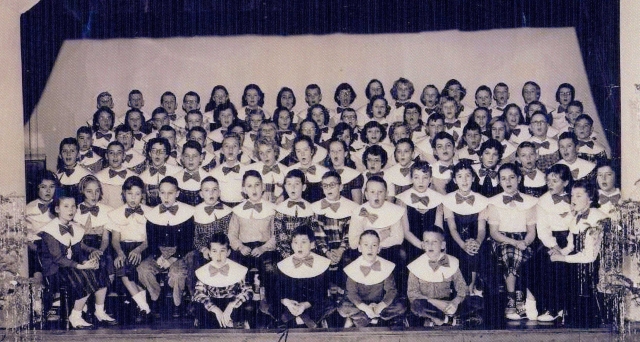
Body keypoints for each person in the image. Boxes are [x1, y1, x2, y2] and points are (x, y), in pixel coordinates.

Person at [38, 191, 117, 328]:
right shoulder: (49, 231)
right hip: (54, 271)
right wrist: (81, 266)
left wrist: (92, 252)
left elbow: (80, 246)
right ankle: (75, 316)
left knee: (100, 266)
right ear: (57, 209)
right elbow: (58, 259)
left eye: (73, 206)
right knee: (86, 274)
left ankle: (99, 311)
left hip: (69, 266)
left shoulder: (73, 226)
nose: (71, 210)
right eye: (66, 206)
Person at [550, 180, 610, 328]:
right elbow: (571, 246)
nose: (573, 199)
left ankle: (568, 311)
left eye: (578, 196)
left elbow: (589, 256)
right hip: (578, 262)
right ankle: (557, 308)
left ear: (590, 198)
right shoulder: (576, 217)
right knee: (545, 263)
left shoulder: (596, 217)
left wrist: (562, 258)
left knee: (561, 270)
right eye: (572, 195)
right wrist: (558, 252)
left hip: (590, 267)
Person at [137, 176, 195, 318]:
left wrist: (173, 258)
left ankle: (177, 304)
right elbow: (151, 240)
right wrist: (158, 256)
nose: (166, 197)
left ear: (177, 193)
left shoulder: (187, 213)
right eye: (162, 192)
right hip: (159, 252)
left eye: (170, 193)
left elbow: (188, 241)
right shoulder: (152, 214)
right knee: (143, 269)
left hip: (179, 252)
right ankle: (156, 298)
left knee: (177, 273)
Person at [487, 163, 537, 320]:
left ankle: (517, 298)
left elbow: (531, 232)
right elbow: (494, 233)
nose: (508, 182)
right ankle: (513, 298)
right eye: (503, 178)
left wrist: (524, 242)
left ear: (519, 179)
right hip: (502, 239)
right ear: (499, 182)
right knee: (511, 253)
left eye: (512, 177)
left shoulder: (530, 202)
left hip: (523, 239)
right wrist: (515, 243)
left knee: (517, 254)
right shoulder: (494, 202)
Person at [527, 164, 573, 322]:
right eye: (548, 181)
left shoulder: (575, 197)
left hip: (572, 241)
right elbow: (543, 230)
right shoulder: (543, 201)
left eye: (555, 180)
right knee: (536, 265)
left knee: (563, 264)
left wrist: (565, 250)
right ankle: (549, 307)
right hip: (551, 242)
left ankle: (562, 308)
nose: (550, 184)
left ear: (566, 182)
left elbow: (577, 225)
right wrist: (555, 247)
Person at [407, 226, 480, 327]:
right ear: (423, 245)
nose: (430, 245)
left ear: (443, 245)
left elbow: (462, 287)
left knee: (477, 301)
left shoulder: (452, 262)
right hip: (428, 304)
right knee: (416, 305)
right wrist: (436, 302)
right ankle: (448, 320)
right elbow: (412, 294)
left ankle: (438, 319)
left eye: (435, 241)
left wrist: (455, 302)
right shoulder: (415, 266)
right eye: (427, 241)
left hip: (448, 304)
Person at [265, 225, 333, 328]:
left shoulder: (322, 264)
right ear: (291, 245)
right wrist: (287, 303)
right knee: (270, 303)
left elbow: (321, 291)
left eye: (304, 242)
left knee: (327, 303)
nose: (299, 246)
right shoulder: (283, 265)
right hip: (290, 305)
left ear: (312, 244)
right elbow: (277, 290)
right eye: (295, 242)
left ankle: (294, 320)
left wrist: (304, 305)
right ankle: (298, 320)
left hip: (311, 305)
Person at [348, 176, 408, 290]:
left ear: (386, 194)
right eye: (372, 192)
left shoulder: (393, 210)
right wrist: (380, 235)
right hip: (364, 251)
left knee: (401, 252)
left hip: (386, 250)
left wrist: (374, 243)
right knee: (348, 256)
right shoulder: (359, 212)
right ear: (366, 194)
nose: (376, 196)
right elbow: (354, 242)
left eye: (380, 192)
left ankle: (398, 291)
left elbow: (398, 238)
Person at [338, 230, 407, 328]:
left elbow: (391, 291)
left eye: (374, 245)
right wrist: (365, 308)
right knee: (343, 308)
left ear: (378, 249)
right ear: (360, 248)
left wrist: (380, 306)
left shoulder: (386, 266)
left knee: (401, 306)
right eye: (366, 245)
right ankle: (372, 317)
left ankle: (363, 318)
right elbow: (352, 293)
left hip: (380, 302)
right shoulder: (353, 267)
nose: (370, 248)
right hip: (361, 304)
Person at [442, 161, 489, 297]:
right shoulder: (448, 200)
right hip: (456, 240)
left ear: (473, 178)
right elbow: (452, 228)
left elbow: (481, 230)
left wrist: (477, 242)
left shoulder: (482, 200)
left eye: (468, 176)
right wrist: (463, 245)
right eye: (460, 176)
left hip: (475, 239)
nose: (464, 180)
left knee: (476, 250)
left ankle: (472, 287)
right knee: (459, 253)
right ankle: (459, 288)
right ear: (455, 180)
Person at [108, 176, 152, 321]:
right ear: (123, 194)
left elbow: (149, 239)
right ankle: (145, 307)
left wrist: (139, 250)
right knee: (122, 266)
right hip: (123, 247)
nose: (133, 198)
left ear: (142, 195)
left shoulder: (149, 212)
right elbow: (115, 240)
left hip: (143, 247)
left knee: (135, 267)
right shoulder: (116, 213)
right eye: (130, 194)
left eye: (137, 194)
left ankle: (142, 307)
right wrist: (120, 253)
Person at [227, 171, 277, 293]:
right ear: (244, 189)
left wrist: (264, 248)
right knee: (236, 269)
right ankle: (242, 302)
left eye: (257, 185)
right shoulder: (238, 210)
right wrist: (240, 246)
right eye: (249, 186)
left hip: (265, 249)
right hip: (244, 249)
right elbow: (232, 234)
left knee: (270, 268)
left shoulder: (272, 209)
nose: (254, 189)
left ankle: (268, 301)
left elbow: (276, 234)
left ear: (263, 186)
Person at [311, 170, 360, 290]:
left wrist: (340, 250)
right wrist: (327, 252)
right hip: (324, 248)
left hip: (344, 249)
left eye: (332, 185)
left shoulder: (352, 207)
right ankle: (323, 297)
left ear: (341, 187)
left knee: (349, 260)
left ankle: (348, 293)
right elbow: (318, 235)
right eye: (325, 186)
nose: (329, 188)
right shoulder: (315, 208)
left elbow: (350, 233)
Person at [192, 233, 253, 329]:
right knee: (201, 309)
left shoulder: (237, 269)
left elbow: (248, 291)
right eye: (214, 251)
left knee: (242, 310)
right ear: (210, 253)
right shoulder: (204, 271)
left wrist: (231, 305)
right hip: (212, 307)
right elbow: (198, 294)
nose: (218, 256)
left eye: (222, 251)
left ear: (228, 252)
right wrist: (215, 309)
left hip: (232, 306)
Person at [394, 161, 444, 262]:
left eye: (425, 177)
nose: (421, 182)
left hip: (433, 243)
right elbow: (406, 231)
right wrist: (421, 245)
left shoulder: (437, 199)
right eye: (416, 177)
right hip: (411, 244)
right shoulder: (403, 199)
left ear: (430, 179)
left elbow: (439, 228)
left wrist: (432, 246)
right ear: (411, 179)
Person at [74, 175, 114, 296]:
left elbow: (106, 238)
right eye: (89, 191)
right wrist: (91, 250)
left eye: (97, 191)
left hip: (101, 245)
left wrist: (100, 251)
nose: (94, 195)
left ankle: (102, 304)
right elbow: (77, 241)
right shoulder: (75, 210)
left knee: (106, 260)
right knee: (86, 263)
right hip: (82, 246)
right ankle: (86, 302)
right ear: (82, 191)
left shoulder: (107, 210)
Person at [274, 169, 317, 260]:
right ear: (285, 187)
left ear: (304, 187)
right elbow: (280, 237)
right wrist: (290, 257)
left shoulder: (311, 209)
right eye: (289, 184)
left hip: (307, 254)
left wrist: (304, 255)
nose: (292, 187)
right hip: (284, 255)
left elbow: (313, 235)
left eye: (297, 184)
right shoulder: (280, 209)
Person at [210, 133, 250, 207]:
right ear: (221, 150)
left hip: (242, 207)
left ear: (239, 150)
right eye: (226, 146)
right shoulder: (214, 173)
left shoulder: (247, 171)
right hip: (222, 208)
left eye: (234, 146)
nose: (230, 149)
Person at [246, 136, 288, 204]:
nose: (265, 156)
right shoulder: (251, 169)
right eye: (261, 153)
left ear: (275, 152)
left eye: (268, 151)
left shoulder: (286, 170)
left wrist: (283, 195)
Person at [94, 141, 136, 208]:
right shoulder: (98, 177)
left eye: (119, 153)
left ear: (124, 156)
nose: (115, 156)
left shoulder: (133, 177)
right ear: (106, 156)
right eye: (111, 153)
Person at [324, 138, 363, 203]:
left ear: (345, 153)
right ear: (329, 154)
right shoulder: (323, 173)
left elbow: (357, 204)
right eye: (332, 151)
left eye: (339, 150)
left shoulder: (354, 175)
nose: (335, 154)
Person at [56, 137, 91, 202]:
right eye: (64, 151)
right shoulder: (57, 176)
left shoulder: (86, 176)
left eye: (72, 151)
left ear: (78, 155)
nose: (68, 154)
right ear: (60, 155)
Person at [175, 140, 208, 206]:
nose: (191, 159)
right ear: (182, 158)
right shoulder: (175, 178)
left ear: (201, 158)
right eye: (187, 156)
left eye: (195, 156)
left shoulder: (207, 178)